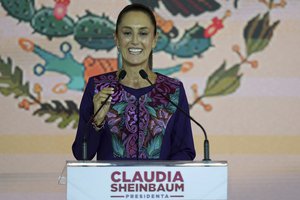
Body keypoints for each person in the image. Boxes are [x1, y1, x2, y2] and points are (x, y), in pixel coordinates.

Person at [72, 3, 196, 160]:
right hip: (111, 185)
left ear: (154, 40)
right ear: (117, 39)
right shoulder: (98, 87)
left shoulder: (172, 90)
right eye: (127, 33)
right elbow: (82, 155)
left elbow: (185, 151)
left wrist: (161, 178)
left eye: (143, 33)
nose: (135, 41)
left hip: (158, 184)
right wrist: (97, 121)